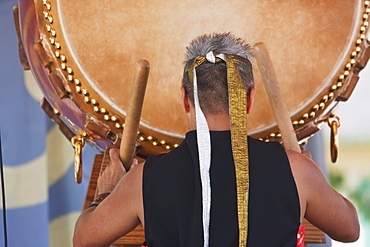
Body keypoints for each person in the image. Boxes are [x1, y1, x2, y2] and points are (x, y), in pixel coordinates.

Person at [73, 33, 360, 247]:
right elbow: (350, 229)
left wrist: (107, 193)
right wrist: (312, 175)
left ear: (186, 99)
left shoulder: (143, 179)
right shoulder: (297, 171)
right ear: (248, 100)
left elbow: (84, 239)